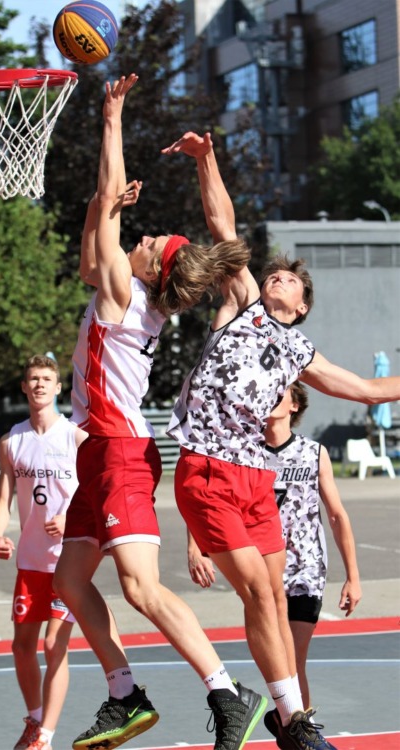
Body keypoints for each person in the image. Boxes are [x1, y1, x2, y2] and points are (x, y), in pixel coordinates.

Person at [162, 130, 400, 750]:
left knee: (272, 596)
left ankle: (288, 719)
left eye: (290, 279)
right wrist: (207, 158)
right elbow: (222, 224)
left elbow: (368, 391)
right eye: (275, 274)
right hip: (207, 466)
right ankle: (294, 720)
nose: (277, 277)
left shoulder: (300, 351)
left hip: (254, 477)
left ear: (303, 303)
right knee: (256, 591)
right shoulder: (244, 304)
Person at [53, 74, 268, 750]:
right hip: (99, 453)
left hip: (120, 451)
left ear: (150, 269)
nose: (144, 235)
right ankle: (125, 695)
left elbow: (108, 208)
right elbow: (92, 255)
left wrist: (112, 115)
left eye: (152, 241)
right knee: (70, 581)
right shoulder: (123, 292)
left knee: (141, 589)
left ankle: (227, 693)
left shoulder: (126, 297)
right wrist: (101, 207)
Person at [187, 380, 362, 728]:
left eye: (279, 392)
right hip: (260, 565)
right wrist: (196, 547)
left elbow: (337, 515)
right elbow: (210, 499)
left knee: (293, 661)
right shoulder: (244, 452)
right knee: (280, 662)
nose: (269, 397)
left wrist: (353, 576)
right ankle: (291, 726)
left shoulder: (313, 452)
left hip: (305, 568)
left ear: (294, 405)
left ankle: (300, 731)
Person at [0, 354, 87, 750]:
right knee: (21, 647)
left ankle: (45, 735)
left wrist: (69, 518)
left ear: (58, 387)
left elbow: (95, 492)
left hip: (67, 561)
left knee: (53, 645)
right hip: (30, 562)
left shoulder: (76, 437)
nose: (40, 385)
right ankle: (34, 719)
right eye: (33, 379)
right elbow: (3, 497)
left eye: (47, 379)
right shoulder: (11, 441)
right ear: (24, 387)